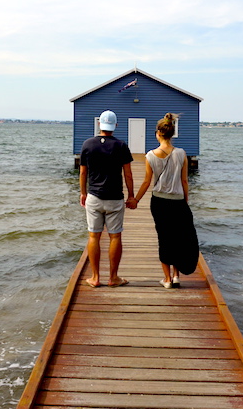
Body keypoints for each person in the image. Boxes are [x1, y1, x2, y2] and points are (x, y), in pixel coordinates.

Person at [130, 113, 199, 288]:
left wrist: (136, 199)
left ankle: (167, 279)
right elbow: (185, 181)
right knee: (178, 237)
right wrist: (185, 200)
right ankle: (176, 276)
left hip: (159, 202)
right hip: (178, 201)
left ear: (158, 134)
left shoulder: (150, 156)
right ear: (172, 133)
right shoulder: (181, 153)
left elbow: (147, 181)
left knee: (164, 238)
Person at [79, 110, 137, 288]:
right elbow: (128, 174)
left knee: (93, 236)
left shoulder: (88, 144)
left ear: (99, 125)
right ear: (115, 126)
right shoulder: (121, 146)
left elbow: (83, 172)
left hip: (94, 196)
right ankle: (113, 278)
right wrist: (132, 196)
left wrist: (83, 193)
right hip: (114, 198)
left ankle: (95, 277)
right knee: (115, 237)